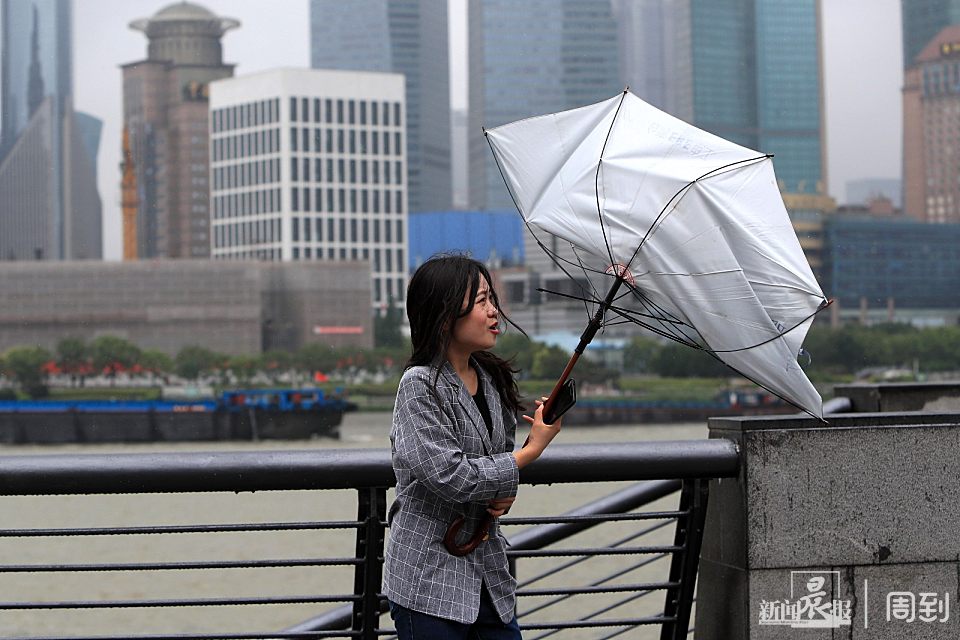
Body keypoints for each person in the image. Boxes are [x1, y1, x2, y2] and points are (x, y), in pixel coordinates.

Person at [383, 255, 563, 639]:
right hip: (429, 579)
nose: (494, 311)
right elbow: (452, 476)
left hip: (487, 573)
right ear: (446, 315)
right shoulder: (420, 385)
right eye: (482, 301)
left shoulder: (491, 378)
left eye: (491, 299)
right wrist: (531, 453)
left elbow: (500, 457)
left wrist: (504, 492)